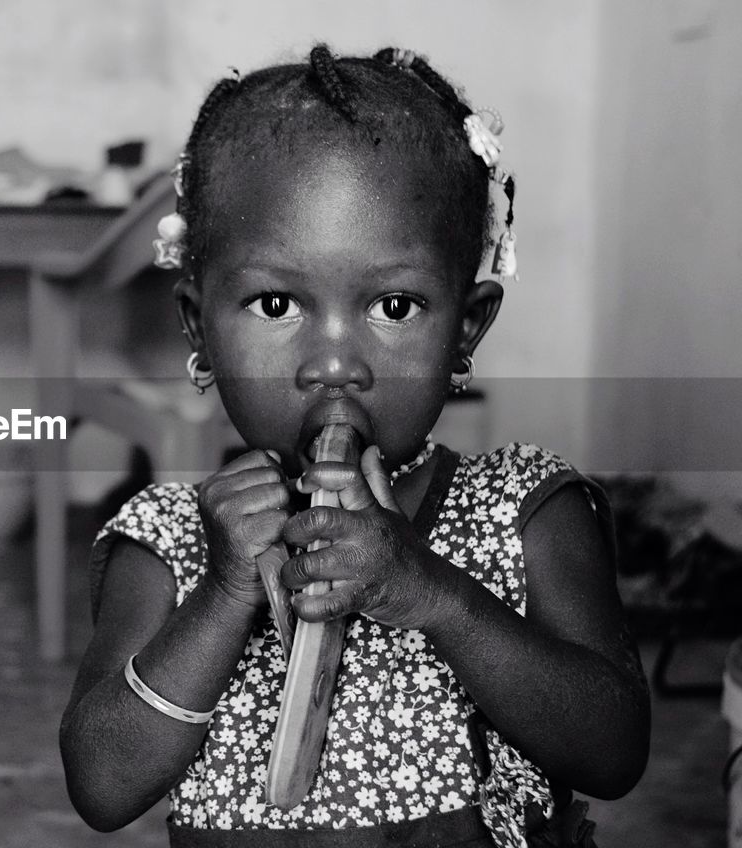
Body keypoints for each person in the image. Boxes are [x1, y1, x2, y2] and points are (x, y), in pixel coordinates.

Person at [59, 43, 649, 848]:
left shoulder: (523, 514)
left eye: (396, 307)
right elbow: (101, 786)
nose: (335, 362)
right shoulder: (167, 540)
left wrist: (433, 593)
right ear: (199, 326)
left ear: (467, 326)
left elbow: (615, 754)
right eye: (275, 303)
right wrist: (226, 592)